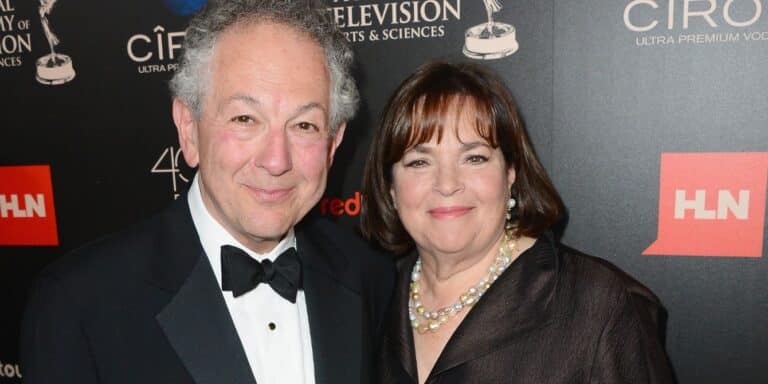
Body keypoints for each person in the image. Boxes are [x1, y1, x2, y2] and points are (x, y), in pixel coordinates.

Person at [21, 1, 394, 383]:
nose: (276, 160)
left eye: (304, 125)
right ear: (188, 129)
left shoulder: (369, 277)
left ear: (333, 144)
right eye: (245, 119)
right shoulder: (78, 305)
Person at [361, 62, 674, 384]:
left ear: (510, 173)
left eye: (474, 158)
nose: (447, 183)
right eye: (419, 162)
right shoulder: (369, 298)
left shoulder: (597, 302)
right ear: (391, 188)